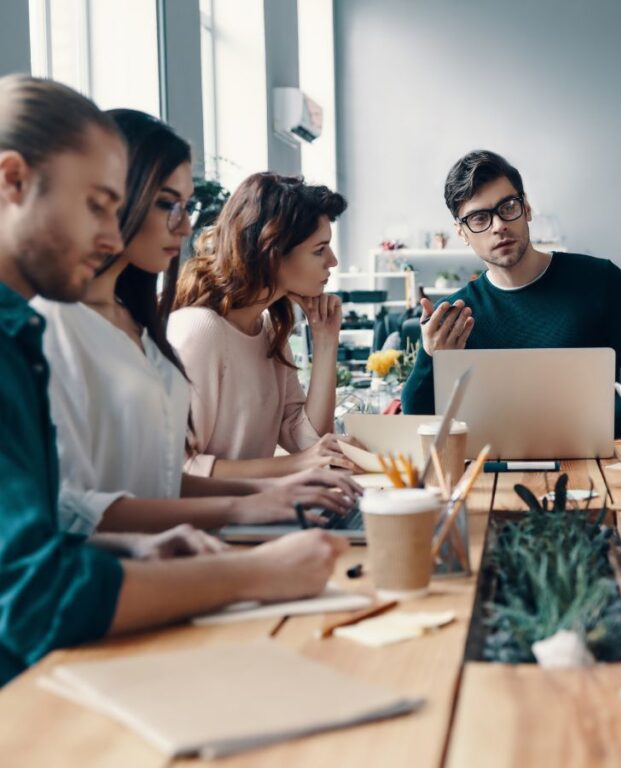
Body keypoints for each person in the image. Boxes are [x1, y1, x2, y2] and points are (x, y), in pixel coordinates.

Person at [0, 74, 346, 685]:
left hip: (117, 615)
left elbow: (62, 524)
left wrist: (141, 549)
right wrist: (254, 567)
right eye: (98, 206)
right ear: (13, 182)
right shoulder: (45, 329)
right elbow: (38, 585)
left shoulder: (98, 327)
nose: (110, 235)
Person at [33, 109, 359, 535]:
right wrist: (261, 497)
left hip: (169, 548)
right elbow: (78, 508)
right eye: (168, 205)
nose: (187, 226)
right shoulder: (188, 329)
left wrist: (283, 493)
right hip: (150, 557)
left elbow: (159, 484)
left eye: (184, 206)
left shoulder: (143, 327)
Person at [399, 150, 621, 436]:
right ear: (461, 232)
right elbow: (417, 418)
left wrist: (584, 426)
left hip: (594, 464)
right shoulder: (457, 314)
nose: (499, 226)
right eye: (479, 218)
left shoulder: (600, 280)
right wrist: (430, 356)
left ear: (527, 208)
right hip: (490, 471)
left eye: (508, 207)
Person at [170, 172, 360, 479]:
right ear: (273, 254)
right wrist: (298, 464)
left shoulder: (269, 329)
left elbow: (308, 442)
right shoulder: (200, 330)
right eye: (319, 249)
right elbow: (179, 468)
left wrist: (325, 341)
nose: (333, 261)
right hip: (209, 522)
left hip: (254, 513)